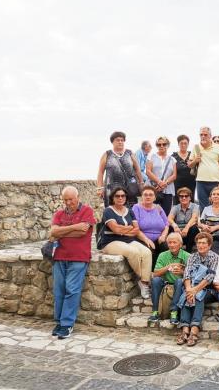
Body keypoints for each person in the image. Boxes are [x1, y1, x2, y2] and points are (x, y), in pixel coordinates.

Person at [48, 186, 96, 339]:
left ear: (78, 197)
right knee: (59, 290)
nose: (68, 202)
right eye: (65, 200)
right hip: (60, 256)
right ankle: (59, 321)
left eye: (71, 199)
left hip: (78, 257)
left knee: (72, 290)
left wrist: (62, 230)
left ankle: (67, 324)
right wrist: (73, 229)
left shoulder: (87, 211)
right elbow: (53, 232)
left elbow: (83, 231)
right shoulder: (59, 214)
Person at [98, 187, 152, 299]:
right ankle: (146, 278)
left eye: (123, 196)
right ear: (112, 198)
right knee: (133, 252)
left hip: (128, 240)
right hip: (110, 242)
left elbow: (136, 229)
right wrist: (128, 228)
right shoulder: (108, 211)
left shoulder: (130, 211)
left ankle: (144, 283)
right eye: (117, 196)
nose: (120, 198)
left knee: (146, 252)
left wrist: (123, 230)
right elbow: (115, 229)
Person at [176, 232, 219, 346]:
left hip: (209, 289)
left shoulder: (214, 258)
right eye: (199, 243)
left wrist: (195, 290)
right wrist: (189, 289)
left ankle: (194, 328)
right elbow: (187, 274)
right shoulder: (192, 257)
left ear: (209, 245)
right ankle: (185, 328)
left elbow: (210, 277)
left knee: (199, 295)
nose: (201, 245)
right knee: (187, 294)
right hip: (192, 287)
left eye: (204, 243)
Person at [149, 232, 190, 324]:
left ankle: (174, 312)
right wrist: (169, 266)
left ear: (180, 244)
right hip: (165, 282)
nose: (172, 245)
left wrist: (182, 272)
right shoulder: (162, 255)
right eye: (169, 243)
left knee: (179, 281)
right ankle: (155, 311)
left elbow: (192, 275)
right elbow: (155, 274)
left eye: (174, 242)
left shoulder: (187, 256)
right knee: (155, 280)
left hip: (180, 284)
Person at [97, 131, 144, 208]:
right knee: (112, 210)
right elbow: (100, 172)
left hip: (129, 188)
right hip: (111, 189)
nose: (120, 142)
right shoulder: (107, 154)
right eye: (117, 140)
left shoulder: (130, 153)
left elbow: (137, 169)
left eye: (122, 140)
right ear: (112, 142)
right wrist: (100, 188)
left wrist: (141, 183)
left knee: (131, 211)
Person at [188, 126, 219, 211]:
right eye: (201, 134)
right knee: (203, 206)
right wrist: (195, 160)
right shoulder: (196, 147)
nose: (203, 136)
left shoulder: (218, 147)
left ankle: (216, 223)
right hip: (201, 181)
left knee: (216, 204)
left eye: (205, 134)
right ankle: (204, 223)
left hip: (215, 181)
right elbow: (190, 165)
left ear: (210, 136)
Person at [132, 186, 170, 269]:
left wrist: (163, 236)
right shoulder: (136, 208)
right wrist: (147, 240)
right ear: (141, 197)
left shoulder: (158, 208)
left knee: (166, 248)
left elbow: (167, 224)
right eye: (145, 195)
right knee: (149, 250)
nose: (148, 197)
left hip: (159, 238)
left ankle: (165, 272)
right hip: (143, 238)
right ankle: (151, 274)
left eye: (150, 195)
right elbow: (136, 228)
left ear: (154, 197)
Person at [146, 136, 177, 215]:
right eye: (159, 144)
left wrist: (165, 183)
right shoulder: (151, 157)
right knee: (150, 212)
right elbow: (148, 171)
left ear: (168, 145)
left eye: (164, 144)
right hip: (153, 189)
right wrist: (159, 182)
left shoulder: (172, 159)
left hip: (168, 189)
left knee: (165, 214)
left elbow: (174, 175)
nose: (161, 146)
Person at [198, 187, 219, 254]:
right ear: (211, 197)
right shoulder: (206, 209)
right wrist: (203, 226)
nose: (215, 196)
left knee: (214, 245)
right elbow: (200, 223)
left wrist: (214, 228)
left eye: (218, 194)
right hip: (209, 235)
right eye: (213, 194)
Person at [168, 187, 200, 252]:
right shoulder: (175, 207)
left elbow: (194, 218)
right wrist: (175, 226)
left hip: (190, 232)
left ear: (190, 198)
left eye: (186, 196)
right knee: (170, 227)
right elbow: (169, 218)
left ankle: (188, 252)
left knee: (194, 228)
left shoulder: (195, 206)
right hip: (178, 231)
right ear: (179, 198)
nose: (184, 198)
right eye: (181, 196)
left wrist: (186, 228)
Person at [173, 135, 196, 204]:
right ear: (178, 144)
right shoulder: (173, 156)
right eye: (181, 143)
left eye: (185, 143)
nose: (183, 145)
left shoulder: (192, 155)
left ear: (188, 144)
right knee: (177, 202)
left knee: (190, 203)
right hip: (177, 184)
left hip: (191, 183)